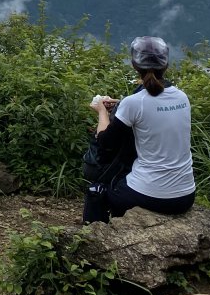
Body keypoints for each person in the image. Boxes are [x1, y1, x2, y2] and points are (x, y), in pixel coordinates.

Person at [82, 35, 196, 224]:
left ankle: (92, 241)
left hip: (149, 194)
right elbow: (153, 110)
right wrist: (121, 106)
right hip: (185, 196)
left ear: (135, 66)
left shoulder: (134, 103)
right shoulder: (182, 97)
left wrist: (102, 112)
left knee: (97, 191)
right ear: (165, 65)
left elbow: (104, 142)